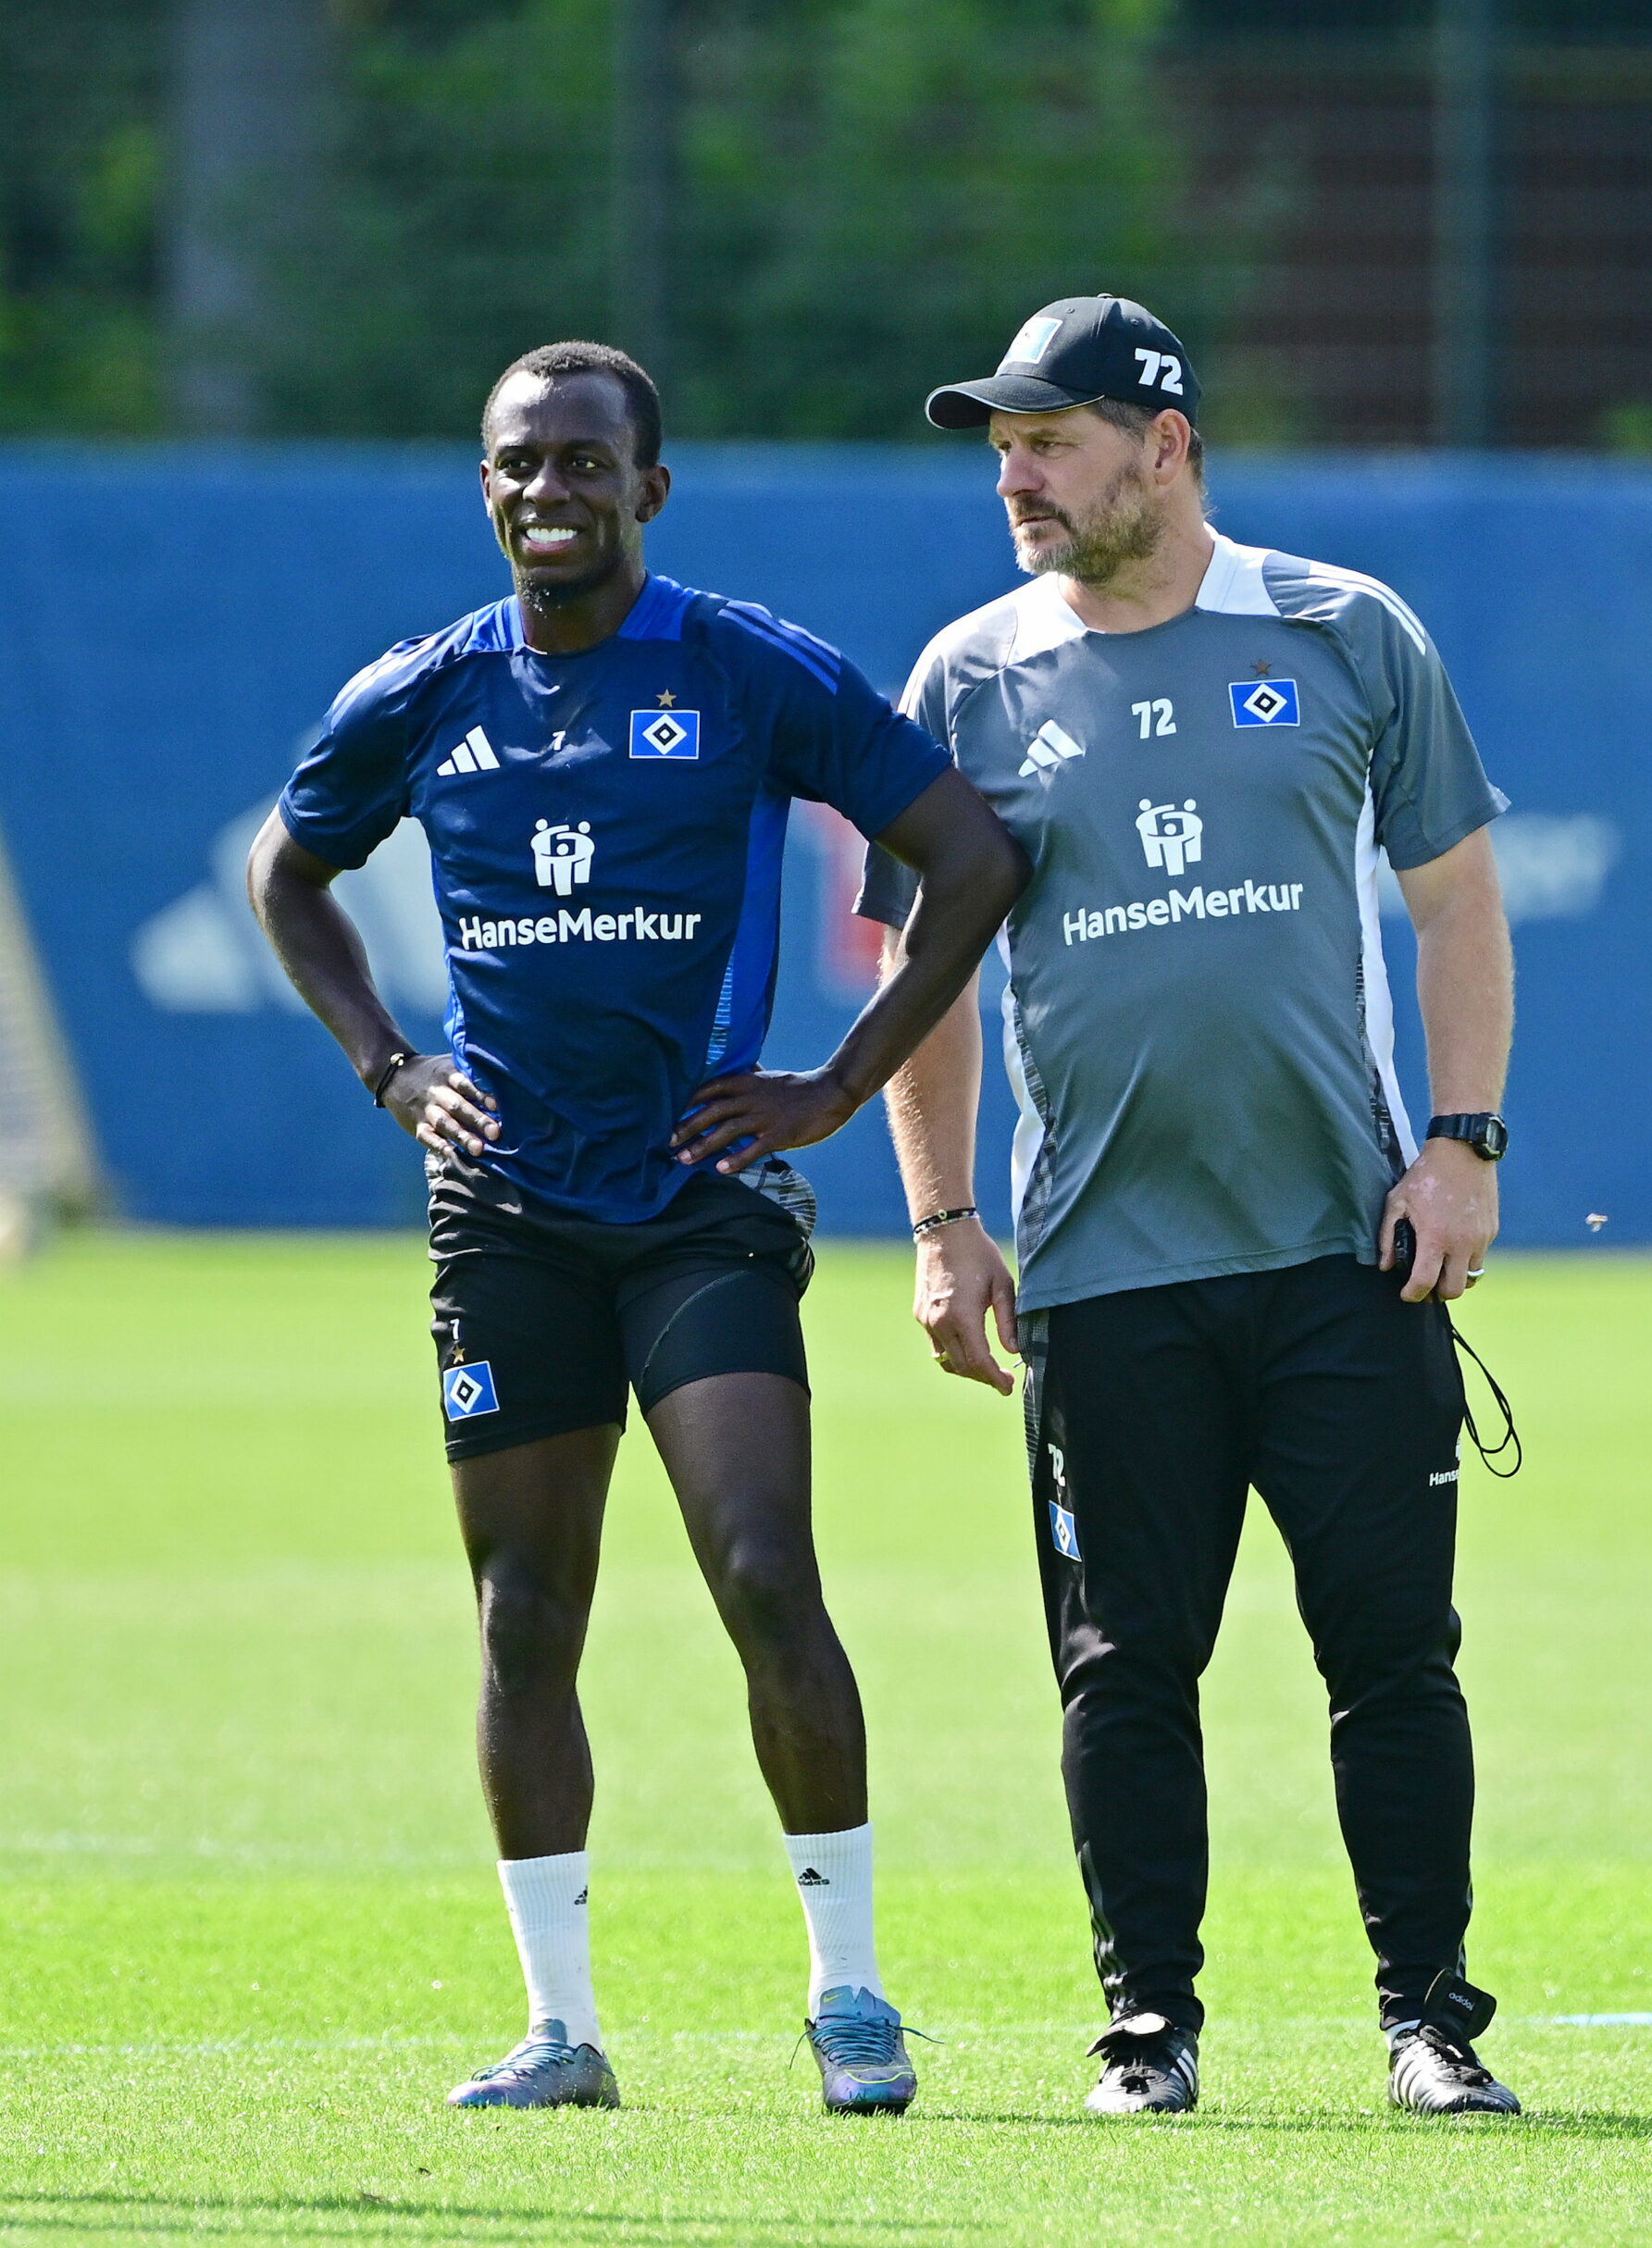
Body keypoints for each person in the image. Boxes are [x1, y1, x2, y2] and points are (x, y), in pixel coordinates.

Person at [248, 339, 1027, 2116]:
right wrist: (386, 1065)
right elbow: (289, 876)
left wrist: (829, 1092)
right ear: (488, 489)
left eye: (586, 464)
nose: (551, 493)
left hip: (701, 1210)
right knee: (526, 1617)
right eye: (521, 465)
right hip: (504, 1218)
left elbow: (973, 857)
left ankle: (852, 2000)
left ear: (647, 491)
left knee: (764, 1573)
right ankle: (560, 2031)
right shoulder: (429, 692)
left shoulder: (747, 669)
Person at [858, 294, 1522, 2118]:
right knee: (1121, 1664)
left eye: (1051, 439)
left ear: (1163, 445)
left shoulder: (1339, 628)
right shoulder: (966, 677)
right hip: (1098, 1264)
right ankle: (1146, 2026)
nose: (1014, 474)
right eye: (999, 443)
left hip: (1339, 1252)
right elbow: (918, 968)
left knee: (1390, 1650)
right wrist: (937, 1223)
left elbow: (1456, 903)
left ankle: (1426, 2021)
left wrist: (1457, 1145)